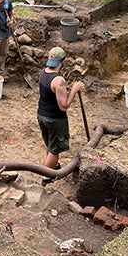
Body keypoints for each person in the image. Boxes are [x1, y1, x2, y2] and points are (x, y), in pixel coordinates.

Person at [37, 47, 84, 185]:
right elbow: (63, 106)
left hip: (42, 114)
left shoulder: (43, 73)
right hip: (54, 118)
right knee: (54, 150)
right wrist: (74, 90)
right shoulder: (59, 81)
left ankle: (54, 167)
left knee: (50, 143)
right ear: (62, 61)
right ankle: (47, 177)